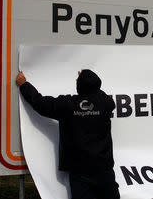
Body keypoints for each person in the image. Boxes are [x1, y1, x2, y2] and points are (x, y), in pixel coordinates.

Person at [16, 69, 120, 199]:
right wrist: (89, 79)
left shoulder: (68, 105)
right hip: (104, 170)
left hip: (80, 172)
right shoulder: (105, 103)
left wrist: (24, 85)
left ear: (79, 86)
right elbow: (99, 93)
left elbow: (41, 104)